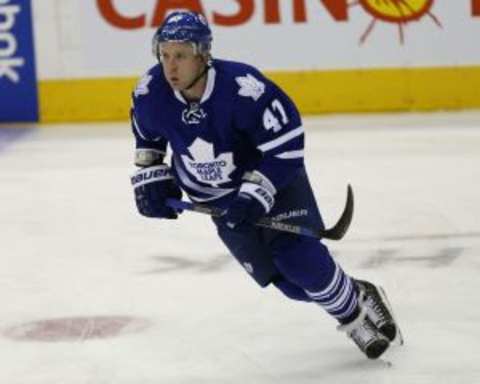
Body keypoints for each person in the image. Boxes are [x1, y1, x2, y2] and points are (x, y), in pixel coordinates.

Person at [129, 10, 400, 359]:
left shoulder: (244, 89)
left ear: (203, 54)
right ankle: (356, 291)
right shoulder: (151, 92)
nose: (171, 67)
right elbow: (147, 138)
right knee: (290, 286)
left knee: (300, 261)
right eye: (165, 55)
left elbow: (286, 145)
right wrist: (151, 178)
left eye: (180, 55)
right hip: (221, 204)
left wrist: (255, 195)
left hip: (276, 183)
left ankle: (353, 317)